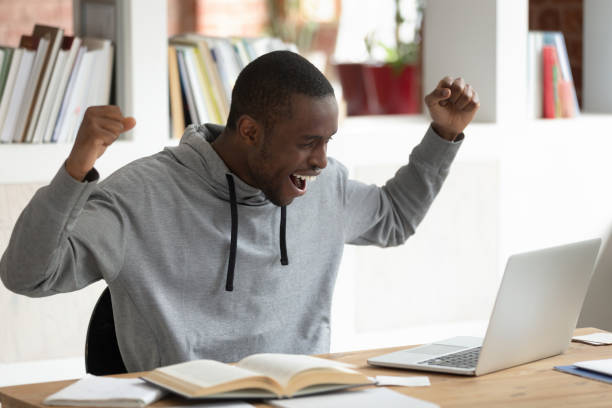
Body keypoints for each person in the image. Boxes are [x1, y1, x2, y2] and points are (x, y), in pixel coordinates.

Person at [0, 51, 479, 372]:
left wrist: (444, 136)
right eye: (308, 143)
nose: (322, 160)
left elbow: (395, 219)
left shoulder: (323, 186)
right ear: (249, 131)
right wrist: (76, 169)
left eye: (328, 141)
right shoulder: (140, 197)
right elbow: (28, 276)